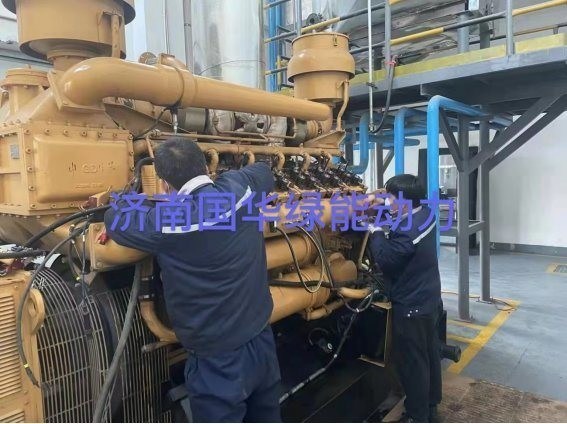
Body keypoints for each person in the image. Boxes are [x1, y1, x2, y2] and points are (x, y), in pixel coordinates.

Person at [104, 137, 281, 423]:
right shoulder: (239, 186)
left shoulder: (170, 220)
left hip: (218, 362)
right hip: (261, 339)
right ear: (206, 166)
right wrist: (230, 176)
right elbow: (263, 171)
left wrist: (123, 200)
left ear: (164, 184)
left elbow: (115, 219)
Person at [368, 174, 442, 423]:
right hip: (429, 298)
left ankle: (416, 415)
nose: (387, 200)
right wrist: (381, 206)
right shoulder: (426, 213)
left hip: (412, 306)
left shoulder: (407, 232)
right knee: (429, 354)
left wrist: (376, 230)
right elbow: (399, 217)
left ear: (404, 201)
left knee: (413, 363)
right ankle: (431, 404)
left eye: (390, 197)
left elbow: (386, 260)